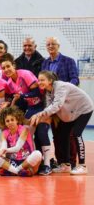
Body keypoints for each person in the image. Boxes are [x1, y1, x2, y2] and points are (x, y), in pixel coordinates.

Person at [30, 71, 94, 175]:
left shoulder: (61, 86)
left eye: (42, 80)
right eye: (38, 80)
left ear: (50, 80)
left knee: (76, 134)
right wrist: (39, 117)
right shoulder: (48, 91)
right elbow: (48, 109)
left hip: (84, 109)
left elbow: (56, 106)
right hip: (70, 113)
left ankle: (82, 166)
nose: (39, 82)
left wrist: (39, 114)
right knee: (63, 135)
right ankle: (66, 164)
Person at [0, 53, 52, 175]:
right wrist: (8, 104)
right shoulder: (9, 83)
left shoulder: (25, 74)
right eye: (3, 68)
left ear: (13, 65)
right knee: (27, 134)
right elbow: (16, 99)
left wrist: (23, 96)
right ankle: (27, 162)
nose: (6, 69)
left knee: (42, 133)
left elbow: (38, 92)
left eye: (8, 66)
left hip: (42, 106)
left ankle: (47, 165)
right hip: (31, 108)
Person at [41, 36, 79, 168]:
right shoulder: (45, 63)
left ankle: (71, 162)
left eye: (53, 44)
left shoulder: (68, 61)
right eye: (48, 44)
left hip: (67, 104)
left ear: (58, 46)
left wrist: (65, 92)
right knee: (56, 135)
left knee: (69, 135)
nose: (51, 46)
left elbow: (75, 79)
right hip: (53, 105)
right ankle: (61, 161)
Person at [0, 106, 42, 177]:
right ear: (5, 123)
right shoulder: (4, 133)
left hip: (26, 161)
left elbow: (17, 148)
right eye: (7, 121)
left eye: (12, 120)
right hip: (13, 162)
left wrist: (1, 150)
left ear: (17, 120)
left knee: (38, 154)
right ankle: (18, 172)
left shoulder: (24, 130)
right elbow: (3, 147)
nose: (10, 122)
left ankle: (13, 171)